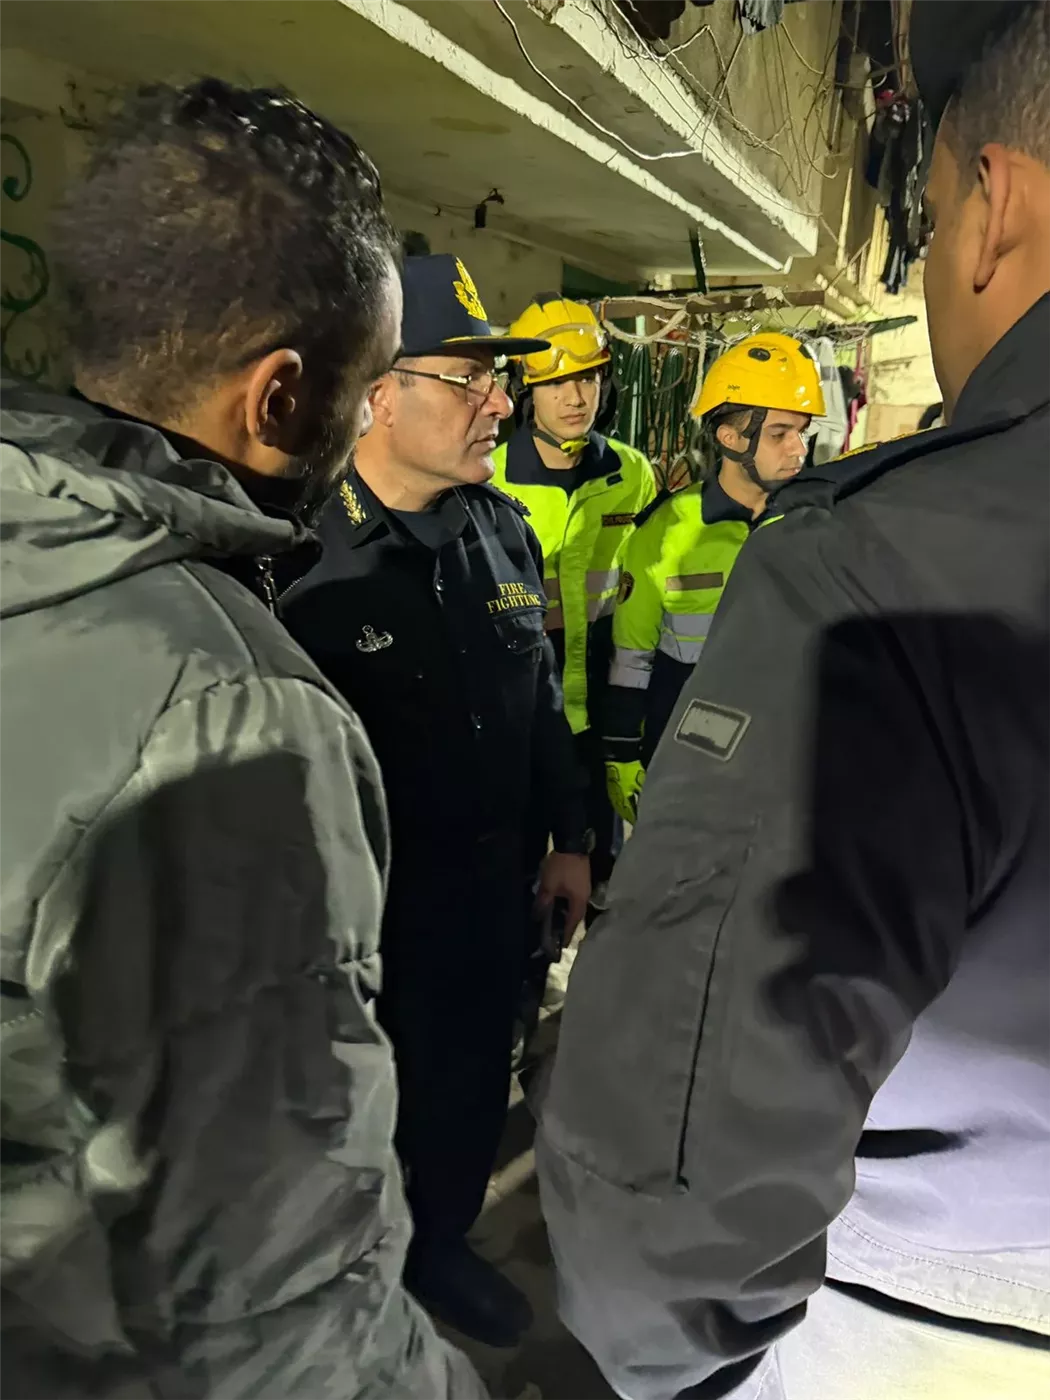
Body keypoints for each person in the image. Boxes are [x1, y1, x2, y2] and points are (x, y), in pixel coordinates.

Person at [536, 1, 1050, 1395]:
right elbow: (616, 672)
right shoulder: (661, 530)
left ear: (991, 208)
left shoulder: (870, 564)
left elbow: (671, 1212)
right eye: (766, 426)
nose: (791, 439)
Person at [0, 80, 488, 1400]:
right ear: (278, 398)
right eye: (369, 383)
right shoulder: (223, 710)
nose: (371, 414)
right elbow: (276, 1290)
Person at [282, 254, 592, 1351]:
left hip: (489, 895)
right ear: (378, 393)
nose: (499, 403)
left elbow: (541, 699)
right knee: (348, 1116)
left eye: (496, 380)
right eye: (469, 380)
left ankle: (441, 1245)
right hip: (356, 927)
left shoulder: (504, 531)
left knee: (465, 1089)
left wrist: (571, 838)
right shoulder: (293, 555)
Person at [603, 334, 825, 824]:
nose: (798, 449)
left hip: (786, 761)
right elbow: (631, 660)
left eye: (801, 432)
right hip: (689, 763)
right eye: (780, 434)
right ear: (730, 438)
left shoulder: (817, 525)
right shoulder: (666, 532)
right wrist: (621, 752)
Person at [491, 296, 657, 916]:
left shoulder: (632, 475)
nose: (574, 397)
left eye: (586, 378)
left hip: (603, 711)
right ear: (525, 389)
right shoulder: (489, 479)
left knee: (604, 880)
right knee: (520, 881)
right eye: (555, 382)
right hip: (524, 715)